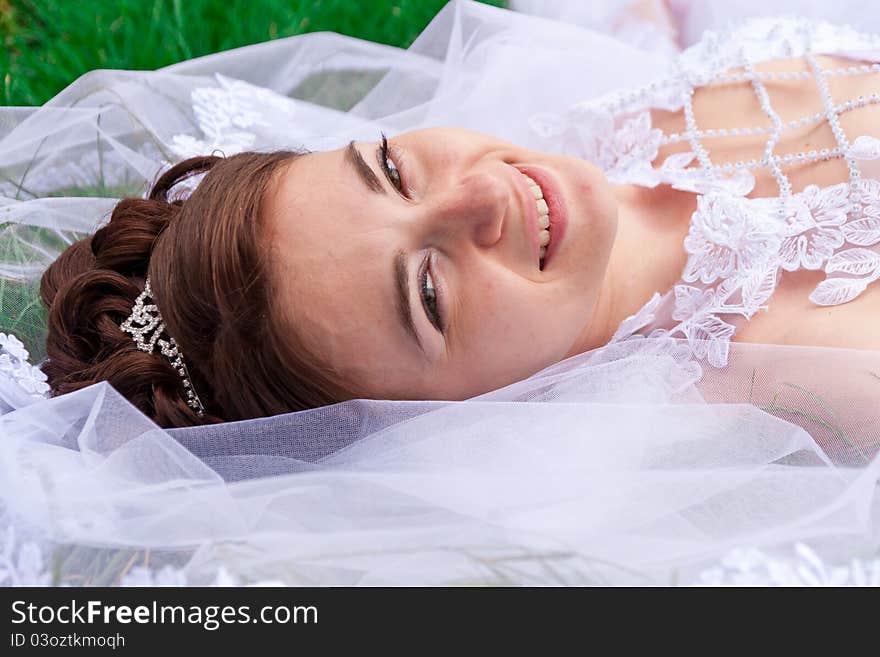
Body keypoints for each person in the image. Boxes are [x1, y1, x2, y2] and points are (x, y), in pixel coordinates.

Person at [1, 0, 879, 586]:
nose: (482, 195)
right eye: (428, 291)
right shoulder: (825, 373)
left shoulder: (577, 110)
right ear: (450, 424)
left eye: (390, 166)